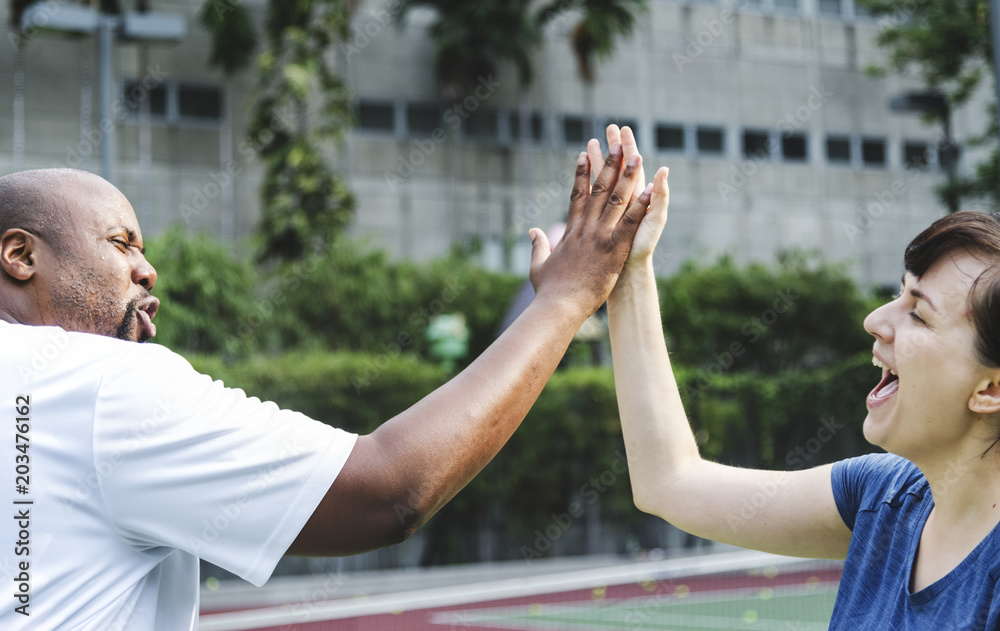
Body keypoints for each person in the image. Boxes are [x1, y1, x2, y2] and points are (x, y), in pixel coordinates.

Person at [0, 146, 657, 629]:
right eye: (121, 243)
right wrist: (567, 298)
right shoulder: (100, 384)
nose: (147, 269)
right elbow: (390, 490)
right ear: (21, 255)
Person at [600, 124, 1000, 628]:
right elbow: (669, 482)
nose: (875, 320)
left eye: (918, 314)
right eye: (899, 293)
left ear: (991, 389)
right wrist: (630, 271)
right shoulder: (883, 498)